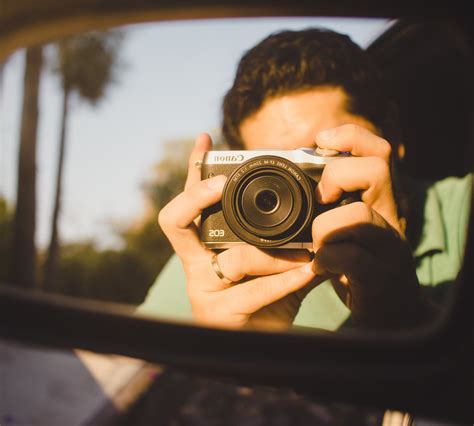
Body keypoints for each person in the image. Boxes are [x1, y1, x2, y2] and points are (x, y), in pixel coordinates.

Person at [137, 28, 472, 331]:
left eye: (320, 156)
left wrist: (408, 320)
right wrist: (226, 356)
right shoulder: (214, 269)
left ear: (393, 135)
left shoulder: (463, 213)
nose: (292, 193)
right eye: (272, 174)